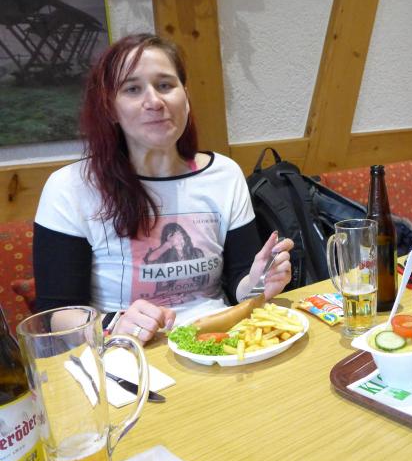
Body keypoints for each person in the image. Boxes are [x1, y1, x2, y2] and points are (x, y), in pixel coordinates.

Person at [33, 33, 293, 344]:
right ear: (110, 108)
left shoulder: (225, 175)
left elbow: (241, 285)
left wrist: (259, 281)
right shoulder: (70, 187)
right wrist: (115, 324)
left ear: (186, 97)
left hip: (217, 340)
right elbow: (56, 312)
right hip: (127, 351)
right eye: (132, 89)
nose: (155, 102)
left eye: (165, 85)